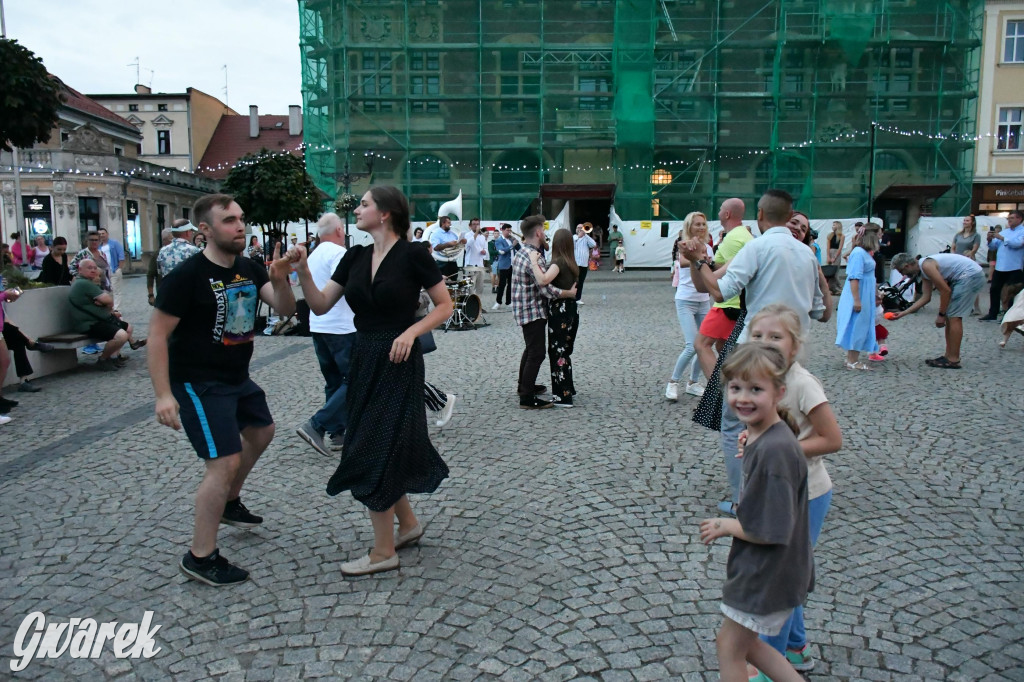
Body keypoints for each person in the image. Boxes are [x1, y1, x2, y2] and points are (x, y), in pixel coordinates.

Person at [291, 185, 453, 577]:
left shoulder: (413, 254)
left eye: (364, 204)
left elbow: (445, 306)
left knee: (372, 446)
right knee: (378, 441)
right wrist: (302, 272)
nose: (356, 209)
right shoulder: (355, 256)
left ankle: (383, 552)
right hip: (364, 357)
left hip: (399, 359)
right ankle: (408, 525)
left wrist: (411, 332)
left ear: (385, 213)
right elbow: (319, 305)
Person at [149, 193, 295, 586]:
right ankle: (200, 556)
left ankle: (230, 501)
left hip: (236, 377)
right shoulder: (187, 276)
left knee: (262, 431)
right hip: (198, 382)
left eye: (241, 218)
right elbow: (157, 335)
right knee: (223, 462)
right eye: (229, 220)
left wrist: (279, 278)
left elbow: (285, 309)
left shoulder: (249, 268)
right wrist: (163, 395)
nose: (239, 226)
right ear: (205, 229)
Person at [684, 189, 827, 514]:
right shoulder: (807, 254)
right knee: (785, 422)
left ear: (760, 215)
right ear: (788, 216)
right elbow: (820, 310)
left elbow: (719, 291)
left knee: (735, 424)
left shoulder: (757, 247)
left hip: (756, 352)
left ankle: (744, 501)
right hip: (792, 353)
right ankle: (786, 491)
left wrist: (697, 260)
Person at [698, 344, 812, 682]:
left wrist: (726, 525)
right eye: (735, 388)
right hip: (774, 569)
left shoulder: (775, 450)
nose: (743, 398)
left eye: (755, 389)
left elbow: (771, 528)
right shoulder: (767, 435)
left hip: (767, 572)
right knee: (747, 645)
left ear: (779, 392)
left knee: (730, 647)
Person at [746, 305, 842, 678]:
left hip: (806, 494)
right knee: (788, 572)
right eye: (758, 336)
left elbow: (832, 439)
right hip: (775, 491)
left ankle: (771, 666)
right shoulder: (760, 378)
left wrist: (778, 449)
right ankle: (796, 647)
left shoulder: (802, 384)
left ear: (795, 345)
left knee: (779, 581)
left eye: (776, 337)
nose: (765, 342)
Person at [295, 213, 356, 456]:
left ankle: (338, 433)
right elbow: (346, 286)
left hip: (318, 325)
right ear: (340, 230)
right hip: (341, 326)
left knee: (333, 381)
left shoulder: (313, 255)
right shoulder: (339, 253)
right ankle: (317, 425)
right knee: (355, 379)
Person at [512, 216, 577, 409]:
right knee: (537, 353)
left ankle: (524, 386)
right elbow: (546, 288)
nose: (545, 234)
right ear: (539, 233)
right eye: (543, 230)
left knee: (530, 349)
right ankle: (526, 397)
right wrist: (568, 293)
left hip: (524, 308)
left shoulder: (522, 252)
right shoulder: (533, 256)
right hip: (533, 310)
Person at [890, 251, 987, 368]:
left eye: (901, 271)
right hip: (968, 275)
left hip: (970, 276)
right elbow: (926, 297)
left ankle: (953, 359)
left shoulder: (926, 266)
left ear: (907, 266)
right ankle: (948, 355)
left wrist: (941, 315)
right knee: (950, 316)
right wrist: (903, 313)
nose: (903, 275)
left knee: (954, 317)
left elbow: (945, 291)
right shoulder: (923, 269)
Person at [694, 198, 751, 381]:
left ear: (727, 214)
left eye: (720, 210)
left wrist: (700, 262)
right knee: (723, 346)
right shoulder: (744, 235)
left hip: (728, 303)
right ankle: (738, 382)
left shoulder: (732, 239)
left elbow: (717, 276)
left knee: (701, 344)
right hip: (739, 303)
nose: (718, 213)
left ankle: (718, 390)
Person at [527, 229, 579, 407]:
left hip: (560, 311)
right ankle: (568, 389)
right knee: (565, 351)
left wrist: (534, 262)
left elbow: (543, 280)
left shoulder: (558, 262)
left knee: (557, 352)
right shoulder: (571, 262)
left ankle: (563, 396)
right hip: (571, 310)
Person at [666, 212, 713, 401]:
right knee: (692, 345)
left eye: (703, 224)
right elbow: (685, 262)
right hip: (685, 299)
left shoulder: (708, 248)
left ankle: (693, 382)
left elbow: (710, 270)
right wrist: (700, 256)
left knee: (705, 344)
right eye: (697, 224)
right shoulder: (684, 244)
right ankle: (673, 382)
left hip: (703, 300)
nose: (701, 227)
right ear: (689, 227)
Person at [69, 259, 146, 371]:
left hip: (96, 320)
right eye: (89, 268)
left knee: (128, 328)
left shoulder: (86, 282)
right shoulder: (83, 283)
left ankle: (114, 357)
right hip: (88, 324)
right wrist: (107, 306)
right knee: (122, 336)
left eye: (94, 268)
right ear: (80, 270)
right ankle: (103, 359)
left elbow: (105, 301)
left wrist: (105, 305)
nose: (93, 270)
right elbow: (109, 300)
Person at [835, 225, 880, 370]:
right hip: (859, 294)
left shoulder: (864, 253)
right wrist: (856, 300)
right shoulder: (858, 253)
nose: (881, 237)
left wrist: (875, 293)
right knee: (857, 324)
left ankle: (852, 358)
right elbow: (854, 277)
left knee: (862, 324)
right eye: (879, 234)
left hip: (865, 293)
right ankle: (852, 360)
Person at [981, 210, 1024, 321]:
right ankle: (993, 313)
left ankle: (1009, 315)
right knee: (994, 289)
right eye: (1008, 218)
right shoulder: (1005, 232)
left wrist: (1002, 238)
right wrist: (990, 240)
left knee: (1011, 292)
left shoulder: (1022, 231)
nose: (1009, 220)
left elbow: (1018, 244)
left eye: (1012, 218)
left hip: (1014, 266)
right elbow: (993, 247)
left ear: (1019, 219)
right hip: (1000, 266)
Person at [97, 228, 126, 311]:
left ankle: (117, 309)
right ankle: (110, 308)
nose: (101, 235)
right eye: (100, 234)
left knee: (116, 291)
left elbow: (121, 256)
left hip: (114, 270)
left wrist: (119, 268)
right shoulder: (99, 247)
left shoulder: (114, 243)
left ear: (107, 234)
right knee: (107, 291)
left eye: (103, 233)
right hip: (104, 272)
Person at [462, 217, 488, 299]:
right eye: (474, 224)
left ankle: (478, 304)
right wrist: (476, 233)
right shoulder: (467, 235)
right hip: (470, 264)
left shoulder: (482, 237)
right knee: (470, 288)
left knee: (480, 288)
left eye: (477, 224)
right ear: (470, 226)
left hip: (480, 264)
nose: (476, 226)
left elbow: (486, 248)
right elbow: (468, 244)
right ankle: (470, 304)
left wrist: (484, 251)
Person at [492, 224, 516, 311]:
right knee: (502, 284)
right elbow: (502, 251)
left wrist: (516, 242)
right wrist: (512, 245)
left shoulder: (511, 239)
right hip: (503, 265)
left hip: (512, 264)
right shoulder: (499, 240)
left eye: (510, 230)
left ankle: (509, 302)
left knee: (511, 284)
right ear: (502, 230)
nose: (509, 232)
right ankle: (498, 302)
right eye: (507, 230)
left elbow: (518, 248)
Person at [147, 228, 174, 306]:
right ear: (164, 240)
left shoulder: (181, 252)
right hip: (163, 292)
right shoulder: (158, 254)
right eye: (172, 239)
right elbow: (150, 275)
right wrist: (151, 295)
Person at [572, 224, 596, 302]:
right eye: (578, 228)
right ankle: (572, 297)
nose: (579, 229)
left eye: (581, 228)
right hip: (575, 264)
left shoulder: (586, 238)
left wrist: (585, 234)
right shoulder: (573, 237)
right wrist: (579, 236)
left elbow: (593, 244)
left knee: (581, 282)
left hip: (584, 264)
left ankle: (578, 298)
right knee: (574, 282)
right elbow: (572, 243)